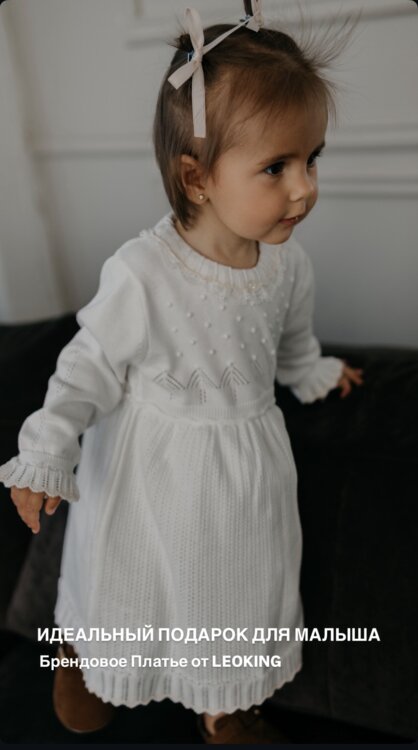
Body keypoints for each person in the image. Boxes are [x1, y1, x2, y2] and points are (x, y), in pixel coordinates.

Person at [0, 1, 364, 743]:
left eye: (312, 159)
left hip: (244, 477)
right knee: (130, 581)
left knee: (233, 593)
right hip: (150, 473)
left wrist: (317, 373)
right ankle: (88, 655)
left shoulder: (288, 267)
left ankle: (225, 702)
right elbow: (86, 366)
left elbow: (291, 346)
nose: (304, 188)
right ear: (196, 179)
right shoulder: (143, 271)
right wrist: (46, 448)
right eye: (277, 167)